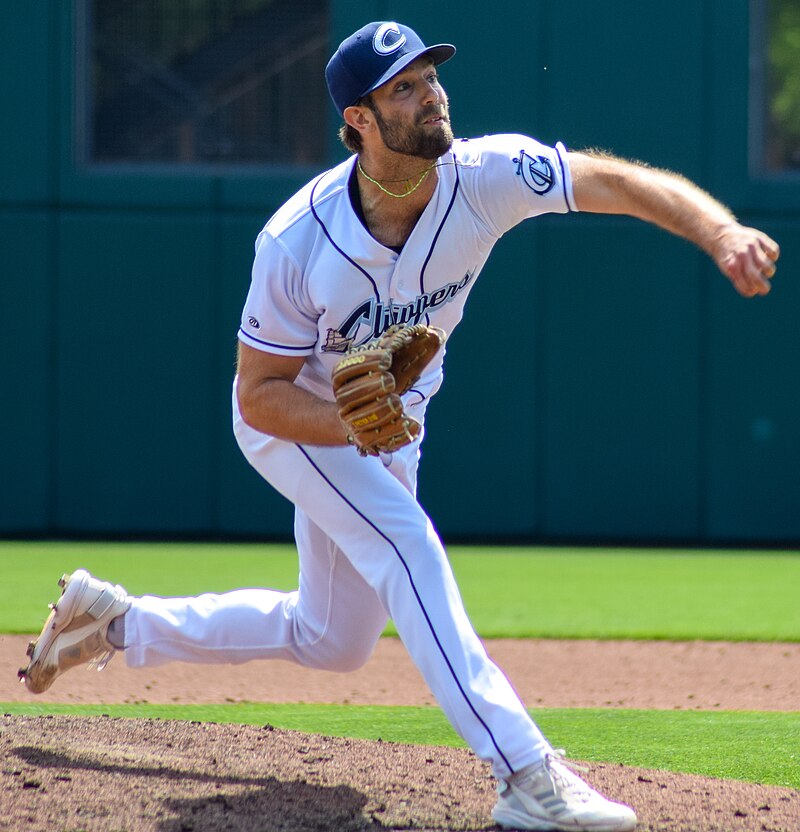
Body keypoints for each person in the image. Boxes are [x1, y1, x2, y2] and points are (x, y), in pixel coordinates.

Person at [20, 21, 779, 832]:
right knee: (406, 544)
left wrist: (720, 229)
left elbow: (615, 181)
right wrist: (350, 430)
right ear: (358, 120)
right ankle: (524, 772)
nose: (431, 96)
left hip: (393, 427)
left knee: (332, 639)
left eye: (430, 77)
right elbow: (257, 398)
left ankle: (116, 621)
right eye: (404, 89)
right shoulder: (296, 239)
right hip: (297, 424)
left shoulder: (483, 175)